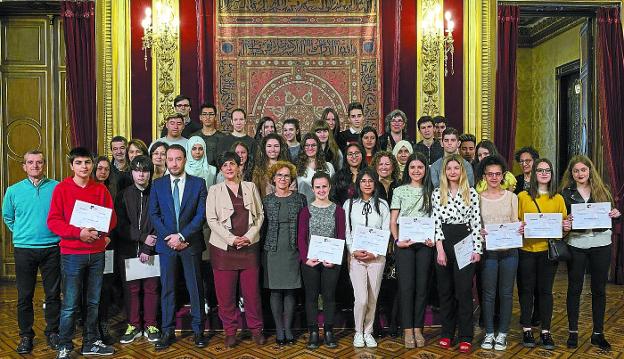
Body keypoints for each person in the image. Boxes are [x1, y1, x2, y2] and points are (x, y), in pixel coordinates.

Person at [47, 147, 117, 358]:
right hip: (72, 254)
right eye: (79, 163)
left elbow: (112, 219)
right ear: (72, 166)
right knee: (70, 303)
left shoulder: (100, 190)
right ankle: (65, 345)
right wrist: (79, 233)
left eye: (87, 163)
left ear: (92, 165)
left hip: (96, 253)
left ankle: (90, 341)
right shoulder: (62, 189)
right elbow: (53, 221)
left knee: (94, 301)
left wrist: (103, 233)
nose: (84, 167)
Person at [148, 144, 208, 350]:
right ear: (166, 161)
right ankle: (167, 331)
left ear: (185, 160)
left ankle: (199, 330)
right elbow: (154, 215)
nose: (174, 163)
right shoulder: (157, 184)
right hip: (167, 246)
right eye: (170, 159)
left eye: (178, 159)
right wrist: (170, 238)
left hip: (190, 244)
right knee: (168, 289)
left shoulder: (198, 184)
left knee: (195, 289)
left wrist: (182, 235)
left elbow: (201, 215)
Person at [2, 150, 60, 354]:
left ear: (44, 165)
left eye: (39, 162)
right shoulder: (13, 190)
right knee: (24, 295)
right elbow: (8, 217)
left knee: (53, 294)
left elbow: (64, 214)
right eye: (30, 162)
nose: (35, 166)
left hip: (52, 247)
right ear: (24, 166)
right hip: (24, 249)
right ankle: (26, 335)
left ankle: (53, 332)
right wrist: (22, 233)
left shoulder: (57, 187)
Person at [560, 155, 621, 351]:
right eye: (576, 171)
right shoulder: (565, 193)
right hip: (576, 244)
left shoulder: (602, 190)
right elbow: (562, 221)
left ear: (589, 170)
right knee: (574, 289)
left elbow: (612, 217)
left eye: (583, 170)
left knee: (599, 290)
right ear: (571, 173)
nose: (580, 174)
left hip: (601, 244)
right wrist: (566, 221)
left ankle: (598, 334)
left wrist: (616, 215)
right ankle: (573, 333)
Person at [206, 152, 266, 348]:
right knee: (226, 295)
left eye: (232, 164)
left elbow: (260, 215)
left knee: (252, 294)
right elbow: (211, 220)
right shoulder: (214, 190)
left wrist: (248, 237)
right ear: (221, 169)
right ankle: (230, 332)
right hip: (224, 250)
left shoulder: (250, 187)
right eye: (225, 165)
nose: (229, 168)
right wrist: (232, 239)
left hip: (249, 249)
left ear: (239, 166)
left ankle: (256, 330)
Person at [517, 158, 569, 350]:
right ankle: (527, 329)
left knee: (545, 292)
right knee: (526, 291)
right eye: (540, 170)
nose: (544, 173)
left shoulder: (558, 198)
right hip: (526, 251)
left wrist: (566, 227)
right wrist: (519, 228)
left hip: (548, 253)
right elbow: (516, 221)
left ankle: (546, 331)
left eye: (547, 170)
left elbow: (563, 229)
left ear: (551, 174)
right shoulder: (522, 196)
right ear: (534, 173)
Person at [432, 154, 482, 353]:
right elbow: (435, 223)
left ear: (462, 171)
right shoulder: (437, 193)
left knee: (463, 292)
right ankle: (446, 333)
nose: (453, 171)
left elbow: (476, 223)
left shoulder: (472, 193)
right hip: (444, 243)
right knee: (445, 292)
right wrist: (440, 249)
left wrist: (477, 249)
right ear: (444, 172)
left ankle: (466, 336)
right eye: (449, 168)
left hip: (465, 241)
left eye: (456, 168)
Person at [389, 152, 434, 348]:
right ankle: (407, 329)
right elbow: (393, 221)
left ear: (426, 170)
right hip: (404, 246)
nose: (416, 171)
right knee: (406, 288)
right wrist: (397, 240)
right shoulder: (399, 191)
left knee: (422, 288)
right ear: (407, 170)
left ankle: (418, 328)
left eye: (420, 167)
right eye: (413, 167)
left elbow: (436, 220)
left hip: (425, 246)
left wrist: (432, 239)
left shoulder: (432, 192)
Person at [115, 156, 161, 344]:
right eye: (137, 170)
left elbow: (160, 222)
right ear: (132, 172)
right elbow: (120, 225)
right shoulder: (123, 195)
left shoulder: (158, 193)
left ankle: (151, 324)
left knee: (152, 288)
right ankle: (133, 325)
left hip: (152, 250)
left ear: (150, 173)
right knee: (131, 290)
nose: (141, 174)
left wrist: (148, 246)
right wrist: (141, 238)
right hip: (128, 249)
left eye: (145, 170)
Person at [478, 155, 522, 351]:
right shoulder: (477, 198)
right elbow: (476, 225)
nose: (494, 177)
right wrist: (479, 231)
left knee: (506, 293)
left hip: (509, 252)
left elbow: (516, 221)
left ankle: (502, 333)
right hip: (488, 252)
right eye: (490, 174)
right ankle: (489, 333)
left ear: (503, 175)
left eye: (497, 174)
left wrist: (520, 228)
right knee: (488, 294)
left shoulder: (512, 197)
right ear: (484, 176)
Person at [297, 172, 346, 349]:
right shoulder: (306, 210)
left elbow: (341, 236)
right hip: (311, 261)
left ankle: (328, 331)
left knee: (329, 296)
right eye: (317, 187)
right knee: (310, 297)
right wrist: (305, 259)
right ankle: (313, 332)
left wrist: (334, 259)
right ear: (312, 189)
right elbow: (301, 238)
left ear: (330, 187)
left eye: (324, 186)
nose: (321, 190)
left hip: (331, 262)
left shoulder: (338, 210)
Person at [344, 168, 391, 348]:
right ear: (358, 183)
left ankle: (368, 331)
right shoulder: (349, 204)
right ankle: (358, 331)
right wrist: (352, 251)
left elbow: (386, 232)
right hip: (356, 258)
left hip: (376, 258)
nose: (367, 184)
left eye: (370, 181)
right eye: (363, 181)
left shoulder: (383, 205)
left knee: (373, 297)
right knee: (361, 298)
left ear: (375, 183)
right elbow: (347, 231)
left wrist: (376, 253)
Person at [261, 161, 307, 345]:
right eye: (279, 175)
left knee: (290, 290)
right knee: (275, 290)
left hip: (293, 249)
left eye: (287, 175)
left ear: (291, 179)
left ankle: (288, 328)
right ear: (273, 179)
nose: (283, 179)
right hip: (272, 249)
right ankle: (279, 329)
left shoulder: (300, 198)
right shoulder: (267, 200)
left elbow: (305, 226)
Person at [296, 133, 335, 204]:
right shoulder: (297, 169)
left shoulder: (329, 166)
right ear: (303, 147)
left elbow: (333, 190)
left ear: (318, 147)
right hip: (304, 208)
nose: (310, 148)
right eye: (307, 145)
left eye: (313, 145)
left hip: (325, 206)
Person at [252, 133, 292, 197]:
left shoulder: (288, 168)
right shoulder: (258, 170)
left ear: (281, 148)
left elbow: (293, 192)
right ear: (264, 148)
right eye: (269, 146)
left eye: (276, 146)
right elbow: (255, 194)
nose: (273, 149)